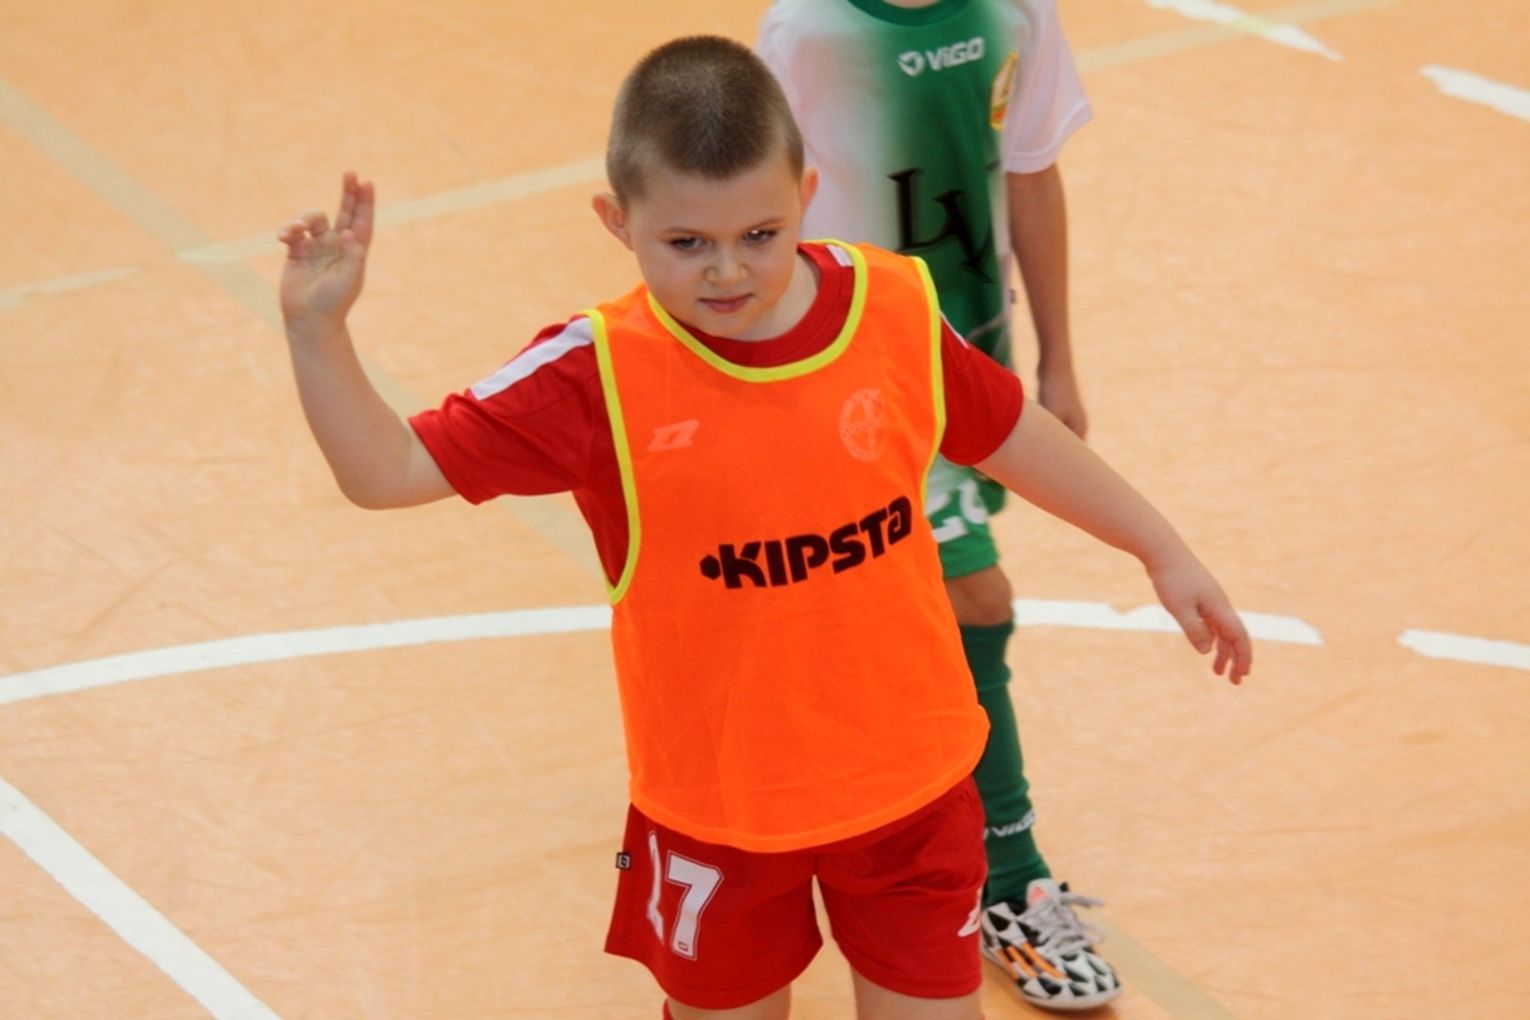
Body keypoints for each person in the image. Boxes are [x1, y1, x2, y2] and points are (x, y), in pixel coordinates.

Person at [276, 35, 1250, 1020]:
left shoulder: (890, 308)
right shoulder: (593, 374)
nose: (728, 271)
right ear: (618, 222)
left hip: (912, 789)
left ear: (807, 195)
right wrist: (318, 331)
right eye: (686, 244)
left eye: (760, 233)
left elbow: (1010, 433)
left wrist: (1159, 547)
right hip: (718, 818)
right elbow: (387, 471)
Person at [756, 0, 1112, 1007]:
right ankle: (1010, 880)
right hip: (860, 386)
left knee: (897, 608)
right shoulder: (807, 33)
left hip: (968, 359)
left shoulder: (1015, 12)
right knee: (974, 599)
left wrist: (1057, 360)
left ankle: (872, 820)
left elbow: (1031, 173)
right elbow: (755, 219)